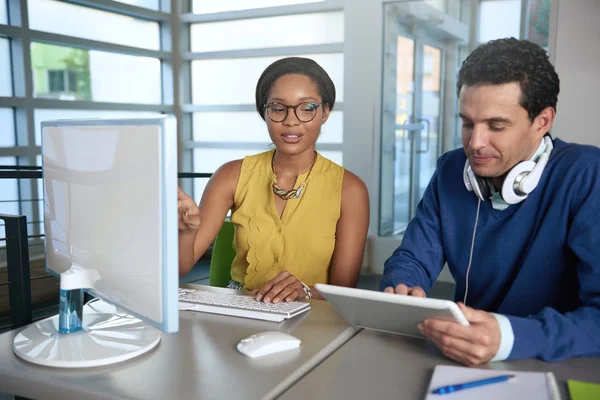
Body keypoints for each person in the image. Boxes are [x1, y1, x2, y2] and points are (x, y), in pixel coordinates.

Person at [381, 38, 600, 365]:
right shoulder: (451, 170)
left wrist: (510, 336)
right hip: (463, 356)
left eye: (496, 126)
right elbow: (413, 256)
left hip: (558, 361)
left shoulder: (586, 173)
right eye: (468, 123)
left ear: (542, 122)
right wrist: (403, 287)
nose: (475, 143)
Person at [178, 57, 370, 304]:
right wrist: (186, 233)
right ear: (265, 113)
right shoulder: (230, 175)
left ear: (325, 113)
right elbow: (182, 269)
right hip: (241, 312)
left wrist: (305, 291)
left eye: (307, 108)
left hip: (314, 318)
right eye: (278, 108)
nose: (291, 120)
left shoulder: (350, 189)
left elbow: (346, 293)